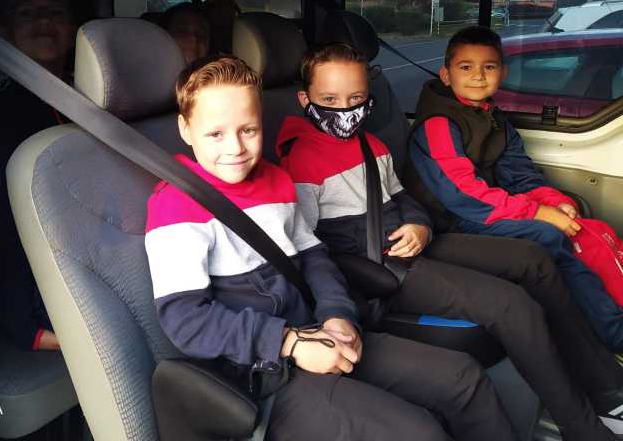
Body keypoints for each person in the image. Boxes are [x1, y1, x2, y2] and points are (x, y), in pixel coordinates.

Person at [144, 55, 516, 441]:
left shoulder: (276, 180)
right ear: (186, 129)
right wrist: (289, 342)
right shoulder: (176, 206)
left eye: (248, 130)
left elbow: (313, 257)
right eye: (215, 134)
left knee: (464, 378)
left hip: (320, 332)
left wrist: (337, 314)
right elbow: (185, 319)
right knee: (419, 431)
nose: (235, 147)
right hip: (262, 368)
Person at [275, 42, 623, 439]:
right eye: (329, 100)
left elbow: (403, 197)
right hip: (378, 265)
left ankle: (604, 385)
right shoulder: (299, 161)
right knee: (512, 305)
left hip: (415, 240)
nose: (344, 109)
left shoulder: (371, 145)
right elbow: (310, 248)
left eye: (356, 98)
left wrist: (420, 226)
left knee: (534, 258)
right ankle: (582, 427)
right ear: (305, 99)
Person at [405, 25, 623, 352]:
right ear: (446, 75)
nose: (478, 76)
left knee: (583, 225)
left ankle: (603, 317)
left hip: (480, 209)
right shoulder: (438, 123)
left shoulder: (491, 115)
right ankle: (611, 333)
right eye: (466, 67)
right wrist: (538, 213)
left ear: (503, 73)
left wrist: (554, 202)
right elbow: (461, 194)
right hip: (448, 219)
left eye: (489, 67)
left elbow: (519, 173)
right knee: (547, 235)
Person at [0, 0, 79, 351]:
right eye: (26, 13)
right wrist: (23, 321)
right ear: (4, 33)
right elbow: (2, 224)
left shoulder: (94, 94)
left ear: (72, 28)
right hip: (48, 289)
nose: (44, 21)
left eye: (55, 11)